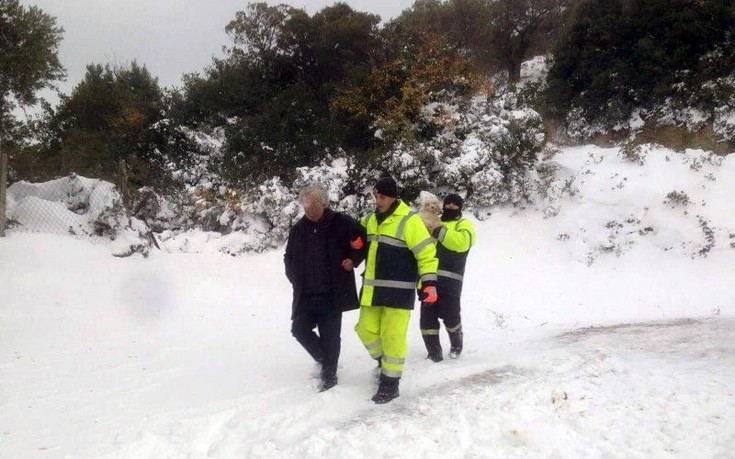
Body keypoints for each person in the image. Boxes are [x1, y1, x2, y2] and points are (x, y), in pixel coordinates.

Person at [354, 176, 438, 404]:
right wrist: (354, 245)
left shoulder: (410, 221)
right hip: (372, 291)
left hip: (399, 292)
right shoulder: (369, 219)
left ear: (393, 198)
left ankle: (390, 385)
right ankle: (384, 362)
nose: (378, 201)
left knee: (393, 337)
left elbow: (426, 254)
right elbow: (355, 241)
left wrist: (429, 284)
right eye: (376, 196)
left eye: (382, 197)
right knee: (365, 329)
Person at [284, 184, 366, 392]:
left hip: (333, 293)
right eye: (305, 206)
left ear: (324, 203)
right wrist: (293, 275)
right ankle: (325, 358)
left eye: (312, 206)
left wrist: (353, 259)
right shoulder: (299, 229)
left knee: (331, 336)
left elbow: (362, 240)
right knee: (299, 329)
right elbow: (288, 256)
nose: (308, 210)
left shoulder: (341, 223)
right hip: (307, 294)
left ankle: (330, 375)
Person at [421, 193, 476, 361]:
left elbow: (461, 243)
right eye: (448, 203)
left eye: (455, 204)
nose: (451, 206)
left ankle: (456, 343)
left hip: (451, 280)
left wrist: (438, 231)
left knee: (451, 316)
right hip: (428, 277)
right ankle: (433, 353)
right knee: (427, 319)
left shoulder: (463, 223)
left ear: (460, 207)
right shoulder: (431, 219)